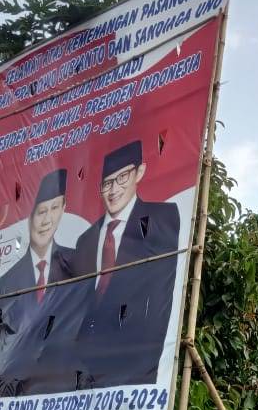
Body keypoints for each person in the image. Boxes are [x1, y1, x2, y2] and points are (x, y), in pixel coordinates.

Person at [0, 169, 76, 406]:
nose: (47, 220)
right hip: (12, 402)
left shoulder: (78, 265)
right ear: (29, 216)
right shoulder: (7, 282)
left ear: (64, 208)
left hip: (63, 398)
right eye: (41, 211)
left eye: (54, 208)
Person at [73, 140, 181, 388]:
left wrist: (144, 373)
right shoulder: (86, 239)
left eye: (122, 177)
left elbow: (159, 301)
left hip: (133, 369)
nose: (114, 190)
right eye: (107, 183)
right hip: (81, 373)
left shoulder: (161, 218)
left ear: (139, 172)